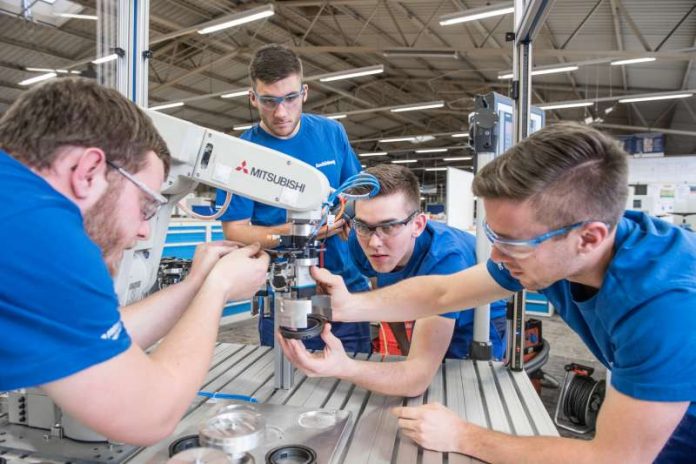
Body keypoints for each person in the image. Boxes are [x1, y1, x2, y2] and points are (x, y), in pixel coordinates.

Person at [309, 123, 696, 463]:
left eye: (511, 242)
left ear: (589, 238)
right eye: (493, 236)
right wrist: (350, 306)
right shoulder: (569, 243)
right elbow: (444, 293)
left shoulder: (665, 307)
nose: (494, 256)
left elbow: (614, 458)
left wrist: (463, 436)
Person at [0, 78, 269, 446]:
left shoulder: (14, 204)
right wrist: (219, 289)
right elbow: (150, 417)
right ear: (89, 170)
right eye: (145, 207)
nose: (144, 231)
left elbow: (88, 335)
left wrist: (196, 285)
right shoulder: (42, 232)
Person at [278, 164, 507, 397]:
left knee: (458, 389)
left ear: (417, 225)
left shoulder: (446, 260)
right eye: (364, 226)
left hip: (474, 320)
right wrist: (405, 351)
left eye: (389, 227)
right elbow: (387, 291)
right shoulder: (361, 243)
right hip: (422, 310)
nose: (375, 243)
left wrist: (343, 366)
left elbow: (415, 381)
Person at [214, 43, 371, 353]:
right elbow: (235, 230)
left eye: (290, 98)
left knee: (355, 379)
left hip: (345, 288)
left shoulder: (331, 134)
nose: (281, 112)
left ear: (305, 92)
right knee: (283, 384)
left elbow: (354, 195)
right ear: (252, 98)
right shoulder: (240, 155)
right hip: (285, 296)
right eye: (269, 101)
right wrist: (294, 233)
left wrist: (327, 222)